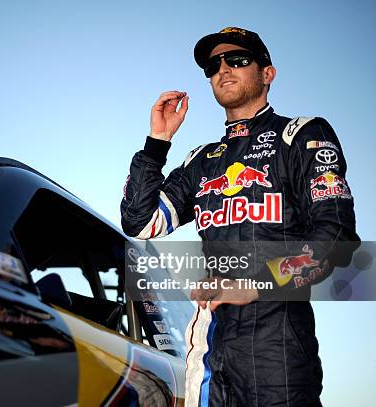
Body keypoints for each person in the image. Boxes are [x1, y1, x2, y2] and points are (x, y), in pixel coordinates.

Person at [120, 27, 360, 406]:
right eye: (214, 65)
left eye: (238, 59)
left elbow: (337, 237)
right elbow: (140, 221)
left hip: (277, 349)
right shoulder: (201, 160)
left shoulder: (299, 135)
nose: (223, 69)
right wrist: (157, 143)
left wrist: (259, 283)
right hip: (210, 349)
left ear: (267, 73)